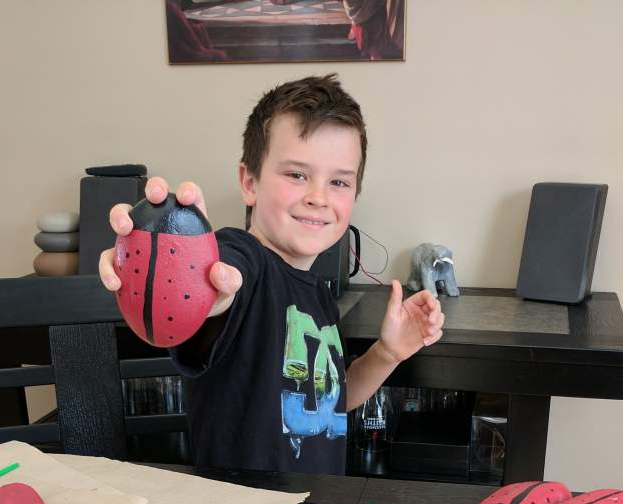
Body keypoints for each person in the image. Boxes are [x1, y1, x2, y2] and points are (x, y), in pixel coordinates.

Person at [99, 73, 444, 474]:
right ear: (250, 182)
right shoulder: (243, 257)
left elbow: (331, 401)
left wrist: (387, 354)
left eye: (338, 181)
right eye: (297, 174)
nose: (318, 197)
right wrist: (197, 277)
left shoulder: (319, 296)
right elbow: (223, 284)